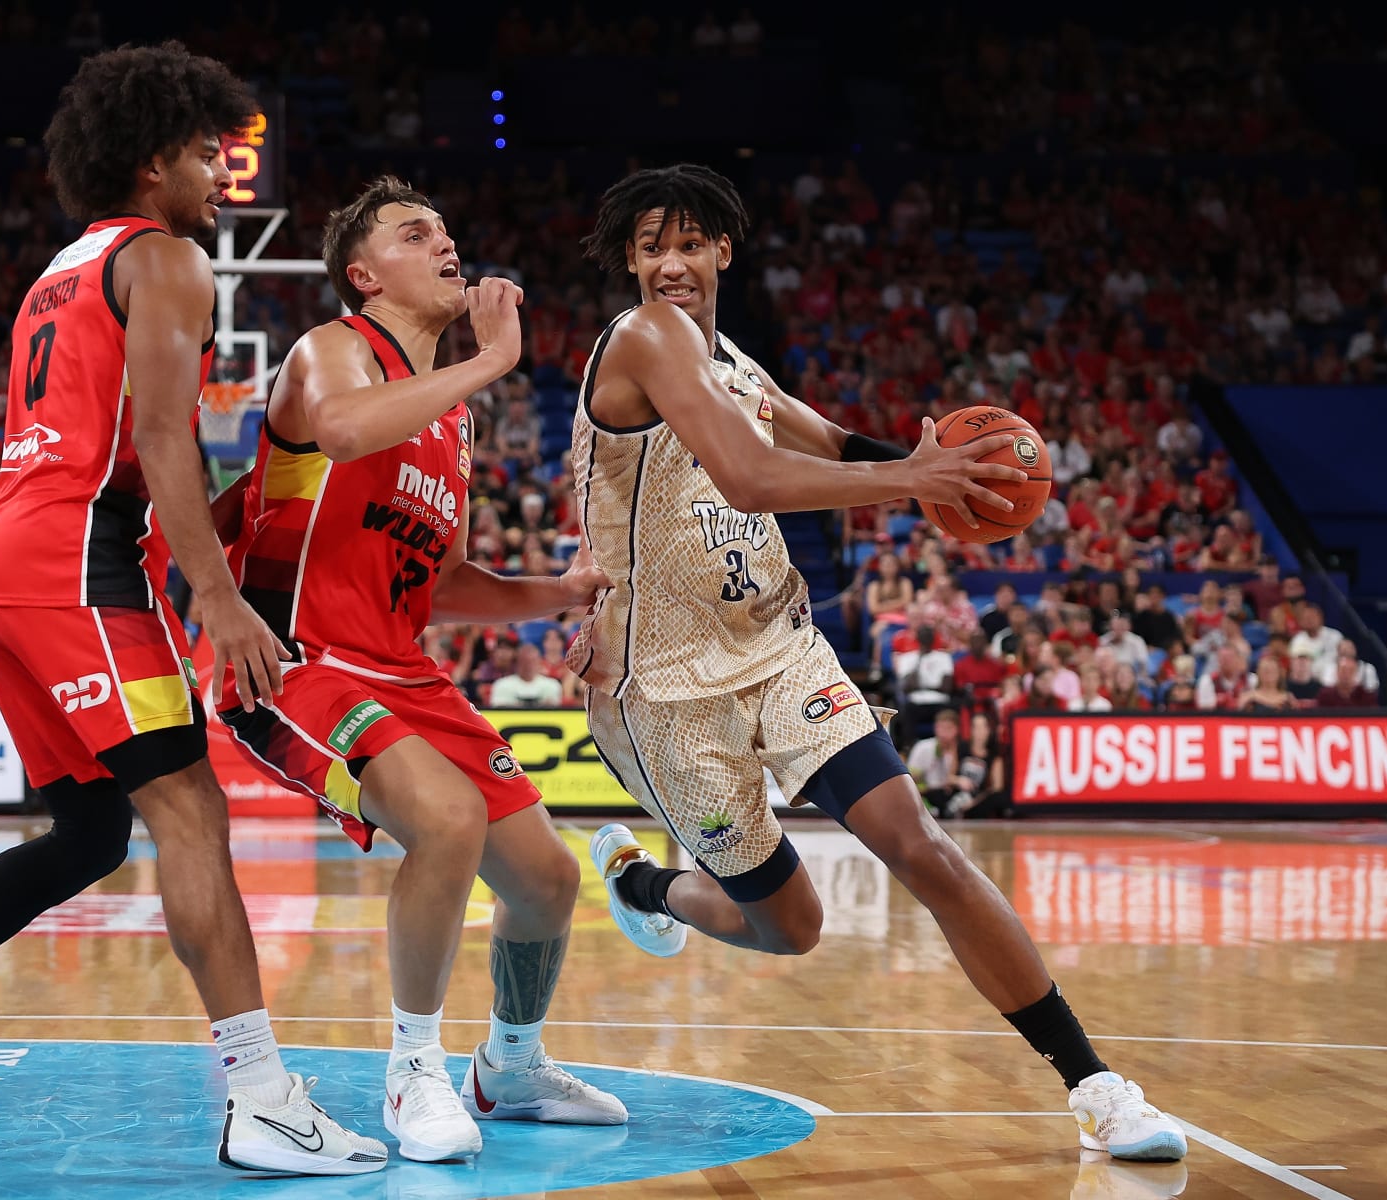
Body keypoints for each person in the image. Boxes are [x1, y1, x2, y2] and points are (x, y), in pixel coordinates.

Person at [0, 43, 386, 1177]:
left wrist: (219, 527)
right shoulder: (165, 259)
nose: (223, 176)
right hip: (76, 566)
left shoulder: (57, 271)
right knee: (192, 814)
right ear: (152, 158)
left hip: (7, 561)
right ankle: (260, 1097)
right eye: (208, 156)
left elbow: (110, 447)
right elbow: (160, 437)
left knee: (91, 832)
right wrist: (216, 597)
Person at [571, 163, 1185, 1162]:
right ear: (629, 263)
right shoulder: (642, 339)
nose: (671, 262)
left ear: (726, 249)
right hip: (668, 688)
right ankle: (645, 888)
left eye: (690, 242)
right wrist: (912, 478)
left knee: (922, 844)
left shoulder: (735, 362)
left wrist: (947, 467)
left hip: (776, 645)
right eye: (651, 246)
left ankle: (1099, 1089)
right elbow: (751, 475)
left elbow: (833, 440)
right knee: (791, 928)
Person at [207, 176, 625, 1164]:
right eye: (414, 232)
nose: (446, 244)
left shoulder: (450, 421)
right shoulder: (333, 350)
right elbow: (347, 430)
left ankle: (510, 1065)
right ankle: (411, 1074)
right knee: (444, 822)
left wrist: (556, 595)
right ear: (365, 272)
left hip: (401, 664)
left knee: (547, 883)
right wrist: (495, 358)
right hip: (296, 659)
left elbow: (438, 584)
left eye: (446, 227)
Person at [489, 640, 565, 708]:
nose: (528, 666)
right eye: (524, 661)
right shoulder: (502, 685)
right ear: (517, 662)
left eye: (532, 661)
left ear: (539, 663)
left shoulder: (552, 685)